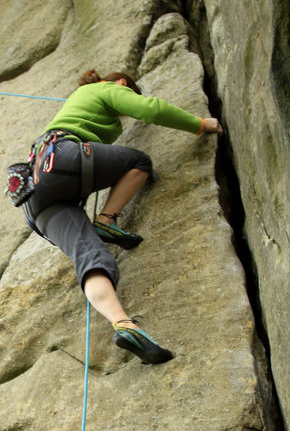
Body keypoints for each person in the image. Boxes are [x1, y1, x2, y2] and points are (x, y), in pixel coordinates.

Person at [24, 69, 223, 364]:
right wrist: (200, 124)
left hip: (34, 197)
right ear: (120, 84)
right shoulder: (104, 88)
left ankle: (124, 324)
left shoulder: (78, 103)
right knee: (139, 163)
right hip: (63, 157)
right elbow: (149, 109)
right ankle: (106, 219)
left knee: (92, 259)